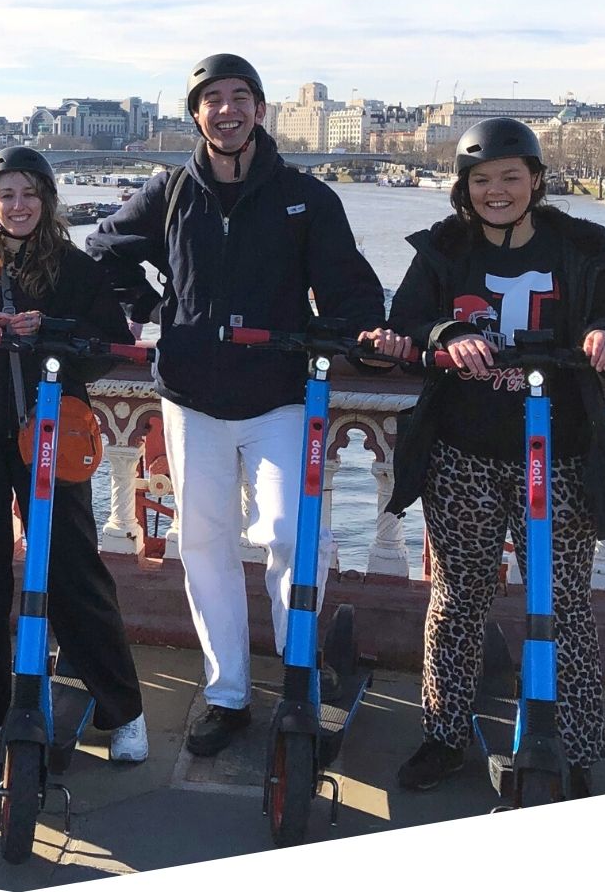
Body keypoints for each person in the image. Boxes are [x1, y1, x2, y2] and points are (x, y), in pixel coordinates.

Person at [87, 54, 386, 757]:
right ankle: (226, 695)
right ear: (196, 114)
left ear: (259, 108)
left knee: (288, 534)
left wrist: (355, 332)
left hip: (280, 394)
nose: (227, 110)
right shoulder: (169, 192)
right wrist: (159, 307)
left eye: (240, 97)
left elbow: (351, 290)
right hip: (192, 398)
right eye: (212, 99)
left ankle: (299, 672)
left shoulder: (305, 198)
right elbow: (103, 250)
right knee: (204, 545)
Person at [372, 117, 605, 797]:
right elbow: (408, 320)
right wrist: (447, 331)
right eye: (481, 180)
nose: (496, 191)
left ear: (535, 182)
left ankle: (575, 745)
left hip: (558, 454)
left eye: (509, 177)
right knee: (458, 597)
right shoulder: (444, 248)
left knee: (561, 604)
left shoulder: (581, 246)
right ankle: (442, 734)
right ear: (464, 190)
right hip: (462, 453)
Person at [0, 146, 148, 761]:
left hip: (52, 436)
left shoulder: (76, 270)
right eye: (5, 195)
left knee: (72, 566)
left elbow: (108, 348)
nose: (17, 206)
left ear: (47, 200)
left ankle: (122, 708)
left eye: (28, 194)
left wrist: (52, 335)